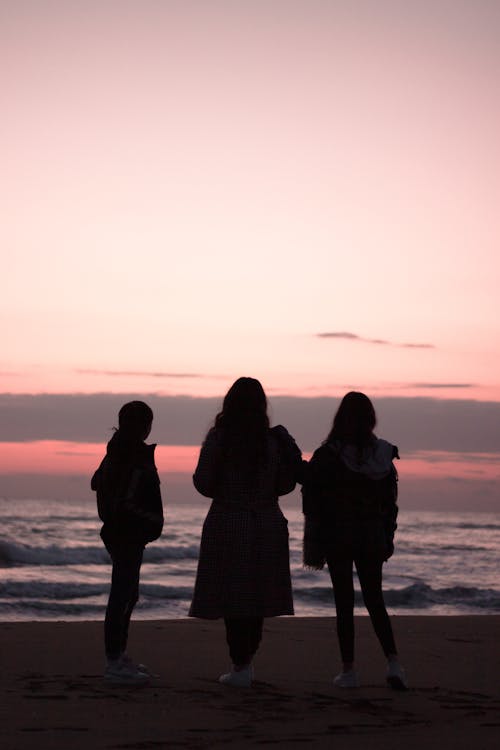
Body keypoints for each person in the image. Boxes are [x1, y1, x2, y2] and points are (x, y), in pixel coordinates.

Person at [189, 377, 303, 687]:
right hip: (266, 522)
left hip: (228, 520)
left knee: (233, 597)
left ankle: (239, 665)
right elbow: (286, 484)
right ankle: (246, 663)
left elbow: (203, 483)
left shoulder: (219, 438)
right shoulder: (271, 441)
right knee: (258, 597)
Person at [301, 391, 407, 690]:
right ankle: (394, 663)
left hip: (338, 534)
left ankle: (349, 671)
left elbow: (313, 496)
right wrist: (388, 537)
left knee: (344, 602)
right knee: (375, 600)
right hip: (372, 534)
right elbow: (390, 504)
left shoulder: (329, 455)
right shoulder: (383, 455)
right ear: (370, 419)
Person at [91, 400, 164, 684]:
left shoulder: (116, 452)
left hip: (123, 532)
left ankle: (119, 656)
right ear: (144, 427)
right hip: (127, 533)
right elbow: (122, 498)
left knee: (127, 594)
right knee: (122, 594)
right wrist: (150, 520)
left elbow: (95, 482)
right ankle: (114, 662)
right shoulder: (129, 455)